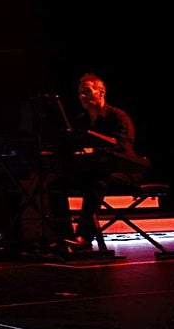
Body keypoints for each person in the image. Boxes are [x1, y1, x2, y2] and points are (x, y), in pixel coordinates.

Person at [56, 73, 145, 250]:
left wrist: (95, 150)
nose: (83, 96)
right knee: (56, 185)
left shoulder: (119, 117)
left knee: (95, 184)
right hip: (95, 173)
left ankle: (84, 237)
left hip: (125, 173)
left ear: (101, 93)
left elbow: (123, 149)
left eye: (87, 91)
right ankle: (62, 236)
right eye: (81, 92)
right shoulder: (82, 121)